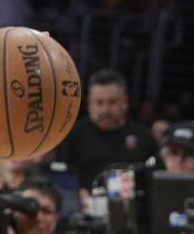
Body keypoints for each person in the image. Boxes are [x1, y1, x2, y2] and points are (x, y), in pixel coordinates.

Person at [55, 69, 157, 197]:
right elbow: (61, 177)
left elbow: (156, 180)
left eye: (112, 102)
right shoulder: (74, 135)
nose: (105, 109)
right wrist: (74, 195)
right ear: (89, 103)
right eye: (99, 102)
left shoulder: (144, 137)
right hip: (84, 209)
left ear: (124, 102)